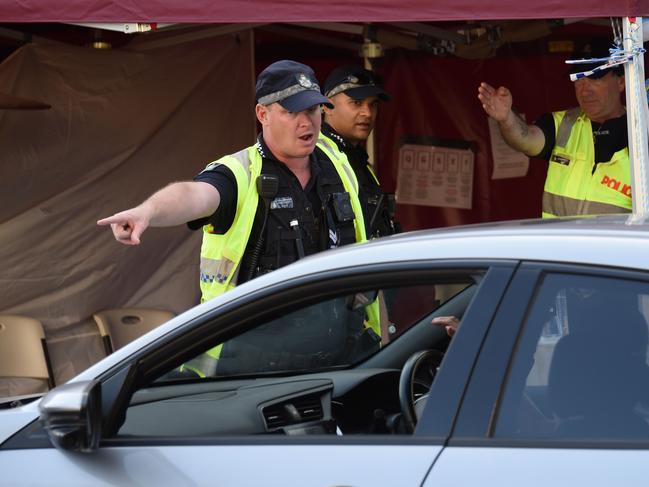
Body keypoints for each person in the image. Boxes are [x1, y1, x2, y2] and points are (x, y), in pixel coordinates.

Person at [98, 60, 382, 370]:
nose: (307, 122)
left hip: (339, 359)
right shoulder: (240, 172)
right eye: (292, 112)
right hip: (255, 367)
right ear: (263, 114)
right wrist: (148, 212)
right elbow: (194, 195)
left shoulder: (338, 166)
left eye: (313, 110)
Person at [478, 39, 631, 218]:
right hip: (558, 246)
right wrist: (506, 119)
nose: (585, 90)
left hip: (616, 246)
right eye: (578, 78)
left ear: (621, 82)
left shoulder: (642, 132)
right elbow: (525, 139)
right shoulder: (562, 123)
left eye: (595, 77)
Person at [321, 65, 399, 238]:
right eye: (356, 103)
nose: (367, 113)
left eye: (373, 105)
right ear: (326, 105)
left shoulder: (358, 159)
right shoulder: (313, 158)